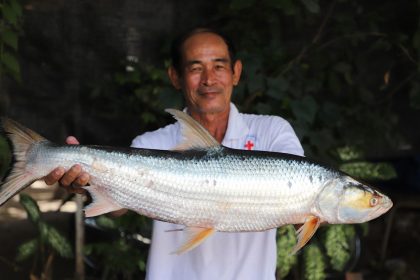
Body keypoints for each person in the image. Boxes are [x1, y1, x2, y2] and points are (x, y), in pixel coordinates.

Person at [44, 28, 304, 279]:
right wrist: (88, 183)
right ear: (175, 76)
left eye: (219, 66)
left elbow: (307, 205)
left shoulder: (273, 132)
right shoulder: (152, 142)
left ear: (236, 72)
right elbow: (118, 207)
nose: (209, 79)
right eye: (195, 68)